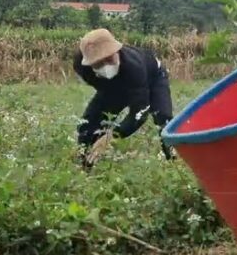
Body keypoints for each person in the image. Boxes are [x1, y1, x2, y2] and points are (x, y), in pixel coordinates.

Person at [73, 28, 177, 170]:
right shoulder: (81, 66)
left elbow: (139, 114)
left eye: (109, 59)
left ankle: (174, 162)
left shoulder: (134, 67)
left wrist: (112, 135)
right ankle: (85, 164)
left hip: (152, 78)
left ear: (116, 51)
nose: (105, 66)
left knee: (163, 118)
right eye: (98, 63)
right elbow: (104, 94)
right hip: (115, 86)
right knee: (88, 124)